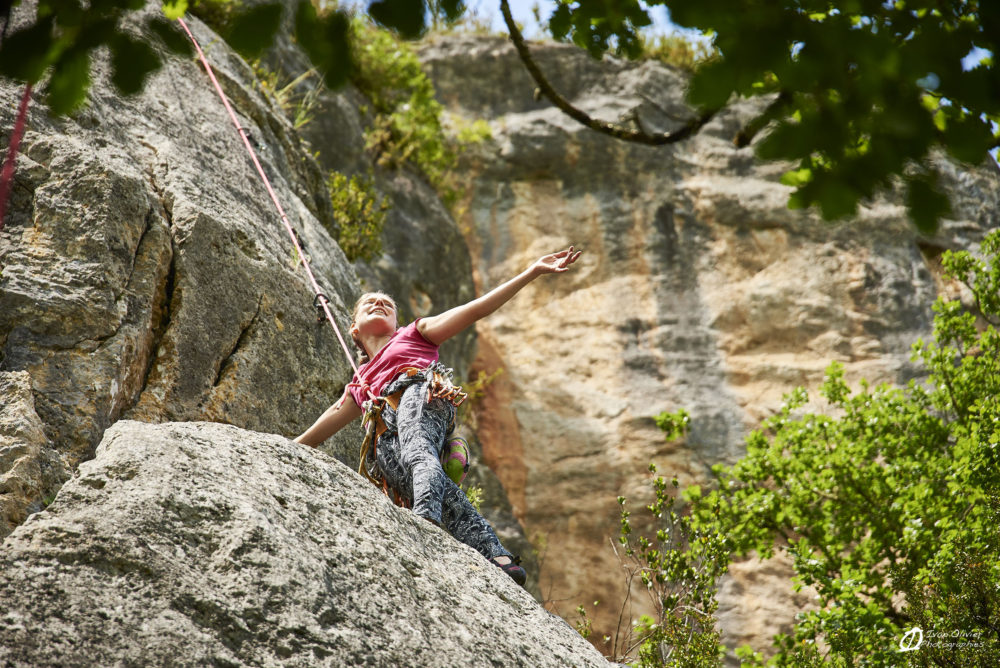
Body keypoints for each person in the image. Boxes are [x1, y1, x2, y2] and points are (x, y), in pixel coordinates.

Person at [294, 247, 582, 586]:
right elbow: (330, 418)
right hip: (388, 424)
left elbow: (475, 309)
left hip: (422, 393)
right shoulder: (361, 382)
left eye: (387, 303)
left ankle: (422, 523)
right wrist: (285, 447)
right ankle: (497, 556)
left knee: (418, 452)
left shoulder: (415, 333)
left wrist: (531, 271)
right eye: (369, 302)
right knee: (419, 477)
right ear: (353, 329)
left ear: (397, 323)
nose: (379, 303)